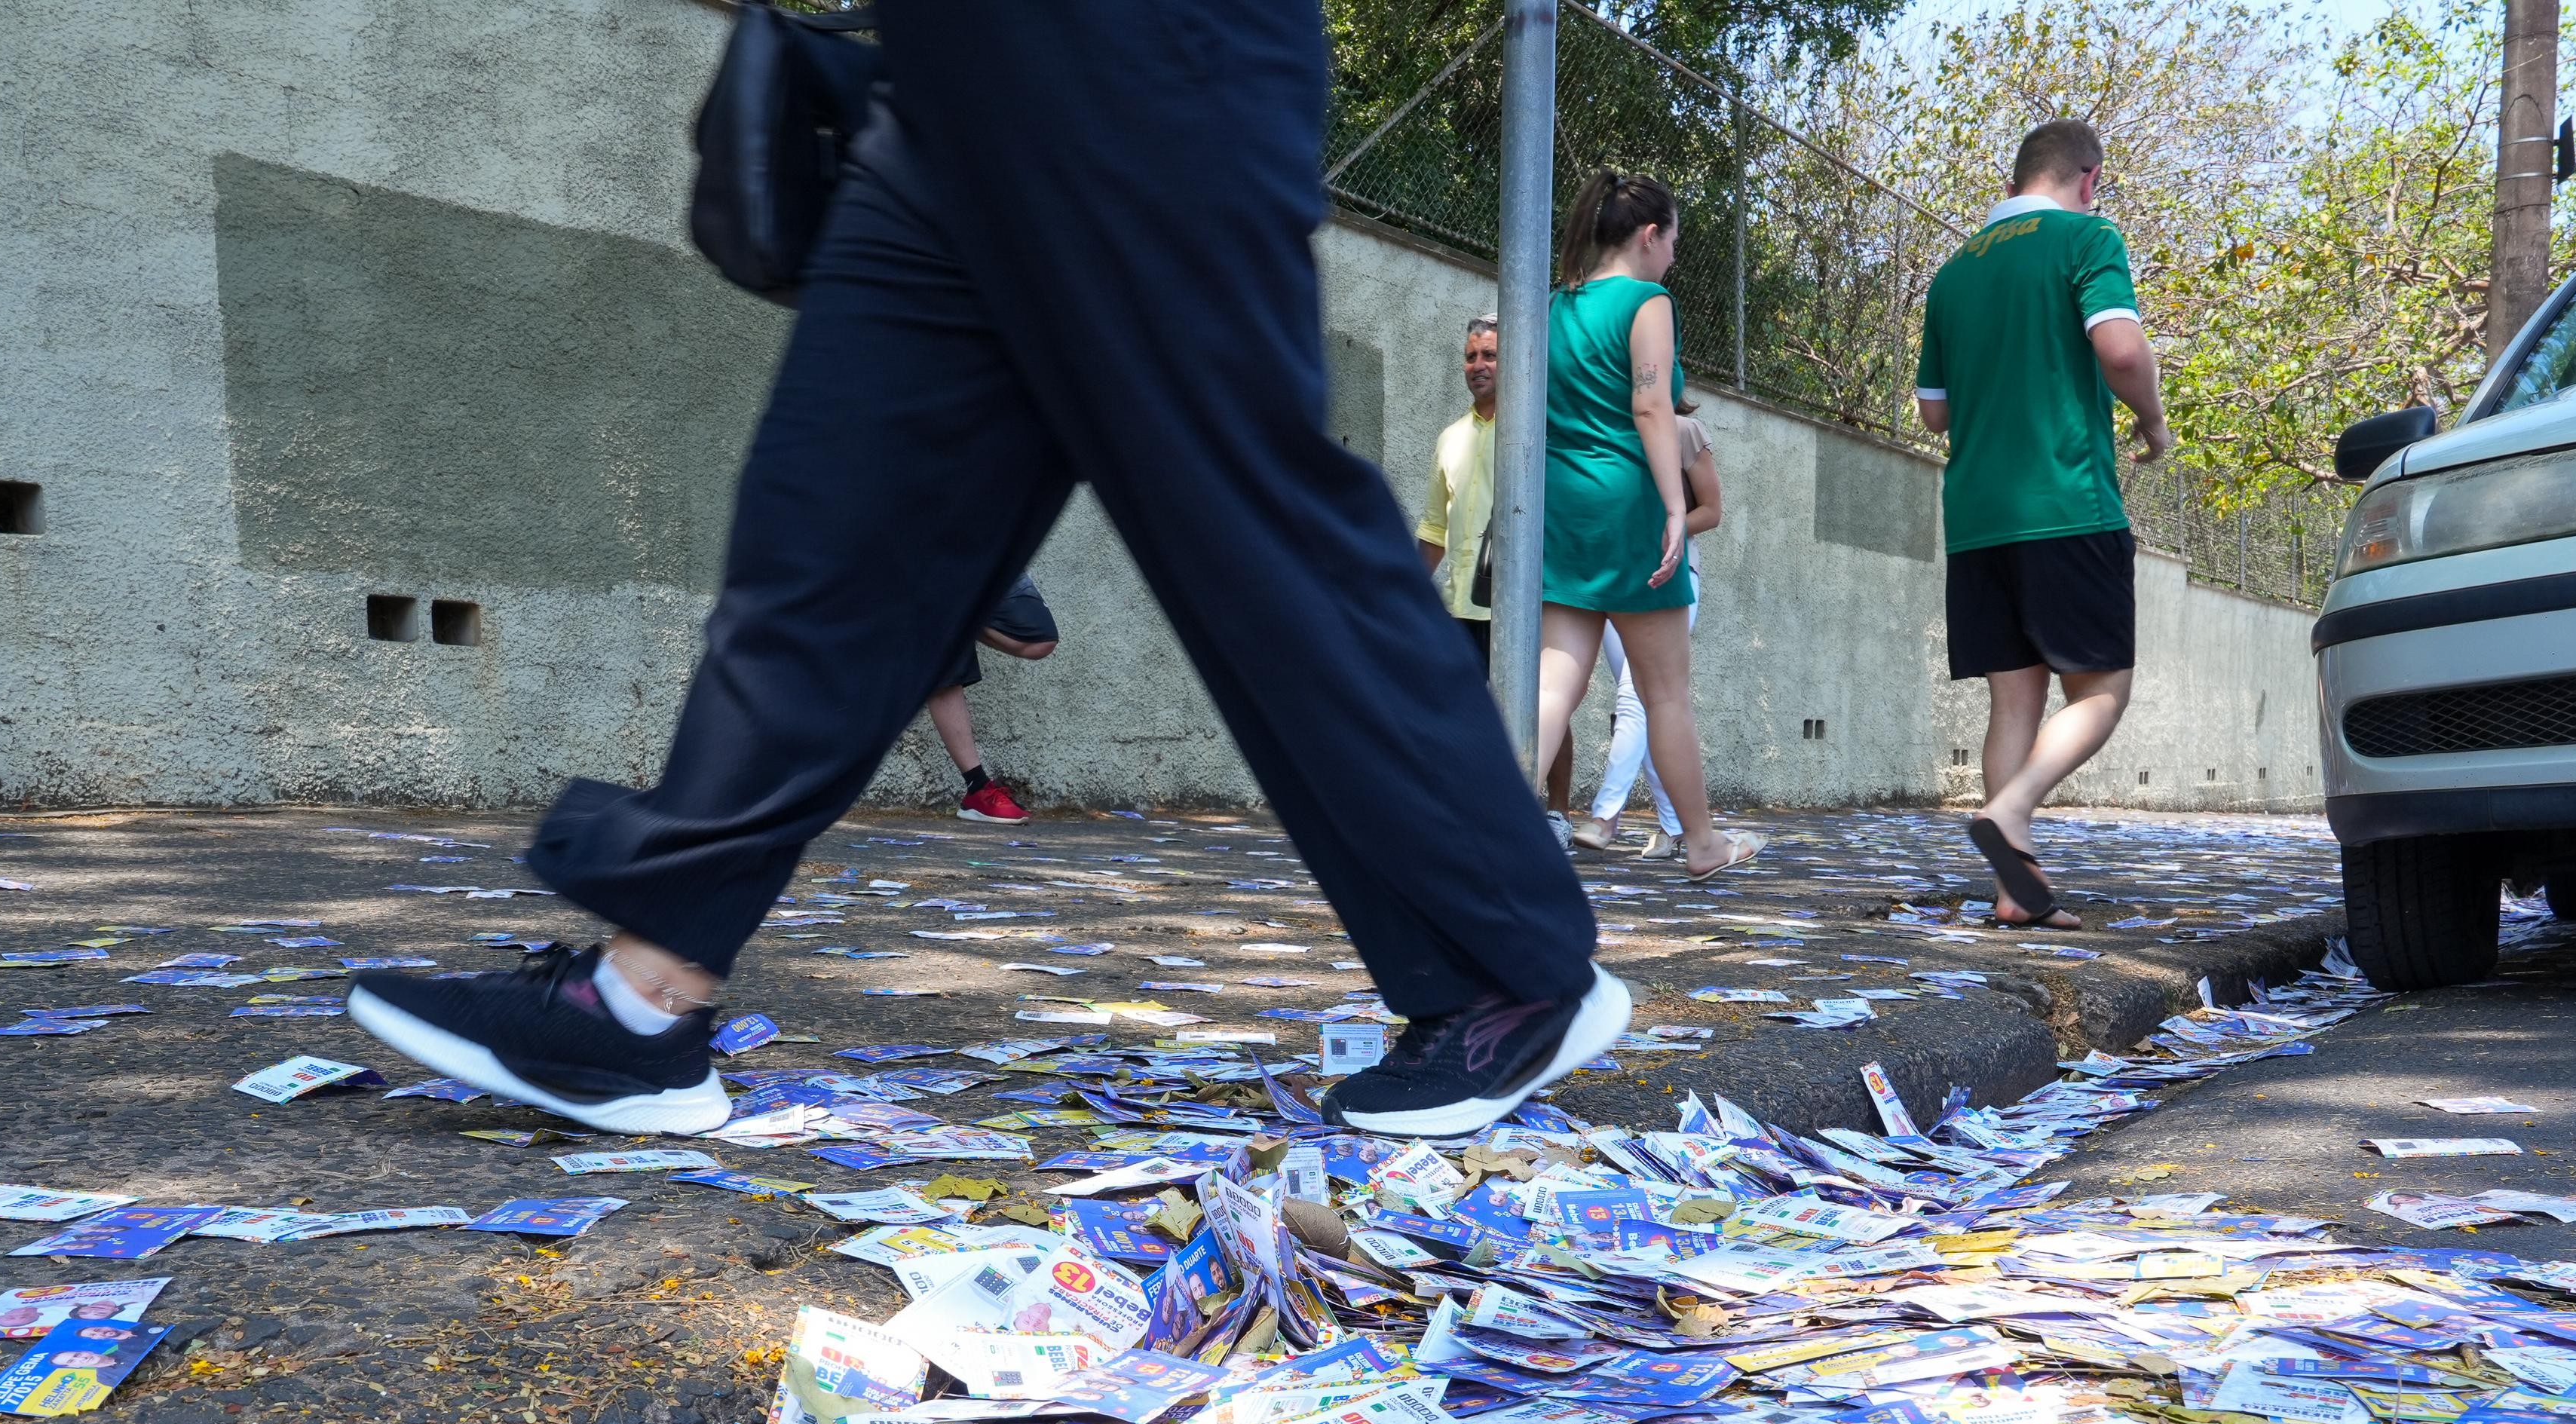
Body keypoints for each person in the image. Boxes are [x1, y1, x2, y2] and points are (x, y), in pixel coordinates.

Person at [345, 3, 1624, 1143]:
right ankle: (644, 996)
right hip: (945, 97)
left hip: (1139, 58)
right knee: (832, 533)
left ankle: (1508, 967)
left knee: (1247, 524)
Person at [1915, 118, 2171, 929]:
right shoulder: (2087, 238)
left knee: (2013, 703)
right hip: (2065, 500)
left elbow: (1931, 411)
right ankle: (2012, 805)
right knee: (2100, 690)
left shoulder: (1954, 272)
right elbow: (2121, 351)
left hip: (1978, 515)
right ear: (2087, 178)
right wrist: (2153, 423)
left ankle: (2013, 892)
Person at [1530, 170, 1759, 880]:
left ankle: (1492, 824)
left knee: (1552, 683)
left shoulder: (1553, 306)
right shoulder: (1648, 300)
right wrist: (1670, 507)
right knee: (1664, 693)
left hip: (1562, 508)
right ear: (1649, 235)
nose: (1674, 259)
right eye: (1673, 242)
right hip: (1628, 504)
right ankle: (1700, 843)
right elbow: (1654, 407)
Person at [1574, 403, 1722, 856]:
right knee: (1648, 702)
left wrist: (1662, 527)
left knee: (1635, 696)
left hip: (1670, 581)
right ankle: (1677, 828)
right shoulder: (1604, 432)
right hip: (1615, 582)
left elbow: (1712, 510)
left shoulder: (1683, 431)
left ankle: (1604, 818)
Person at [924, 574, 1054, 824]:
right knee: (944, 649)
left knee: (1039, 638)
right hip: (925, 557)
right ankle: (978, 788)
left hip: (982, 549)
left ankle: (955, 613)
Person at [1415, 315, 1498, 668]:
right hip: (1460, 607)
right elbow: (1435, 529)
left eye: (1490, 355)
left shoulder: (1540, 434)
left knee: (1538, 717)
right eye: (1470, 356)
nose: (1477, 366)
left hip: (1521, 609)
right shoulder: (1450, 438)